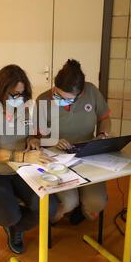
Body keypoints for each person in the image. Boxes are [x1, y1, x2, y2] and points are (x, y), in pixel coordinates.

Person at [0, 65, 58, 254]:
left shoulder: (26, 108)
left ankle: (17, 228)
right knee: (8, 215)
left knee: (49, 207)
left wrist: (33, 139)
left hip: (21, 170)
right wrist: (20, 155)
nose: (18, 99)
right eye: (13, 94)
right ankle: (13, 223)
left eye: (21, 94)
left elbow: (34, 134)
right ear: (1, 91)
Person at [32, 59, 112, 225]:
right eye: (57, 95)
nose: (60, 101)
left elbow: (104, 118)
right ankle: (59, 213)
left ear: (80, 94)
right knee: (69, 202)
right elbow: (36, 137)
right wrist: (52, 140)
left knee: (96, 202)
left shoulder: (91, 92)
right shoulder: (43, 100)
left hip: (87, 155)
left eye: (68, 100)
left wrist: (103, 134)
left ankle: (82, 208)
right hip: (57, 158)